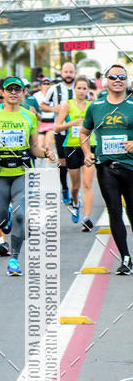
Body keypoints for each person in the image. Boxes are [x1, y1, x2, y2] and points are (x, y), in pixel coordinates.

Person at [0, 76, 55, 276]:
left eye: (17, 89)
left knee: (21, 215)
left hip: (22, 171)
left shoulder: (29, 116)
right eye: (9, 89)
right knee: (0, 220)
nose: (13, 92)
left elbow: (34, 147)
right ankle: (7, 223)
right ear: (2, 93)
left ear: (23, 93)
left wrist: (46, 153)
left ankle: (14, 259)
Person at [79, 64, 133, 274]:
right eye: (113, 77)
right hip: (106, 167)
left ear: (127, 80)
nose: (118, 80)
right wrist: (87, 153)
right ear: (105, 81)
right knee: (114, 211)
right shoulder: (96, 106)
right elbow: (84, 132)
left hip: (130, 166)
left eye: (122, 76)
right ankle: (126, 258)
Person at [54, 76, 96, 231]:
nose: (82, 91)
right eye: (79, 88)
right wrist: (72, 123)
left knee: (87, 184)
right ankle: (75, 202)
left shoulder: (93, 106)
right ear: (74, 89)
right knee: (76, 186)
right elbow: (57, 128)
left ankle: (87, 218)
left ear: (88, 90)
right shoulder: (67, 105)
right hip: (71, 148)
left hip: (90, 146)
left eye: (85, 88)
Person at [41, 62, 77, 203]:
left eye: (71, 72)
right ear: (61, 73)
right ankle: (64, 188)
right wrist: (55, 109)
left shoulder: (79, 88)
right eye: (66, 71)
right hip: (61, 132)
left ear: (75, 73)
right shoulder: (54, 89)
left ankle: (76, 188)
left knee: (77, 162)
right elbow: (43, 106)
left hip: (78, 133)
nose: (68, 74)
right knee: (63, 162)